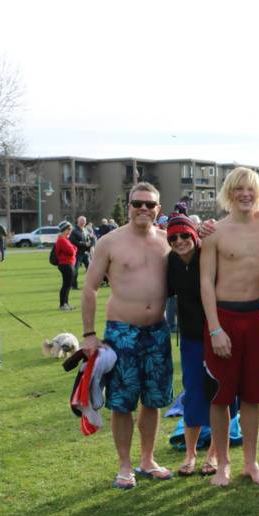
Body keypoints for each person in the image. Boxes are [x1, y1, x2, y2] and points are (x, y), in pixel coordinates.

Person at [81, 182, 174, 489]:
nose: (143, 209)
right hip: (122, 333)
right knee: (122, 402)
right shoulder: (110, 242)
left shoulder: (167, 241)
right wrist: (90, 334)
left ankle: (147, 460)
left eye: (150, 204)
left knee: (153, 399)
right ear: (129, 205)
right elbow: (91, 287)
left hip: (157, 332)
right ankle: (124, 465)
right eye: (138, 204)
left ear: (159, 208)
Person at [200, 167, 259, 487]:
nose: (245, 194)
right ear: (229, 194)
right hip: (223, 317)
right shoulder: (215, 231)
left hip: (255, 318)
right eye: (238, 189)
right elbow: (205, 280)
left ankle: (251, 462)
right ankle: (222, 465)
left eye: (251, 189)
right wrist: (215, 328)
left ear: (258, 193)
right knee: (220, 395)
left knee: (253, 396)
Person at [165, 213, 221, 477]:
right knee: (193, 393)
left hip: (217, 334)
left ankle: (214, 455)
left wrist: (212, 226)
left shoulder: (208, 254)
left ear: (194, 235)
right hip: (190, 338)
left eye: (185, 235)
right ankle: (190, 454)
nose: (180, 241)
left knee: (219, 393)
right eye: (173, 237)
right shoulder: (171, 263)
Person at [54, 221, 76, 311]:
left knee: (67, 285)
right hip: (65, 264)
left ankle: (66, 303)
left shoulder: (65, 239)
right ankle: (62, 304)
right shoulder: (62, 240)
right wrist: (74, 249)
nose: (70, 231)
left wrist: (74, 249)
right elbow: (72, 251)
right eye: (69, 229)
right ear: (65, 230)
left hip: (68, 264)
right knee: (66, 285)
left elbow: (74, 249)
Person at [69, 215, 94, 290]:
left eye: (84, 221)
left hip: (85, 253)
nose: (83, 222)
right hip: (77, 253)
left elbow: (90, 238)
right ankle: (74, 285)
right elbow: (72, 241)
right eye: (82, 221)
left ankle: (91, 284)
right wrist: (84, 244)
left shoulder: (86, 229)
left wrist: (90, 242)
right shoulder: (74, 231)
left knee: (91, 269)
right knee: (75, 270)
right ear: (78, 221)